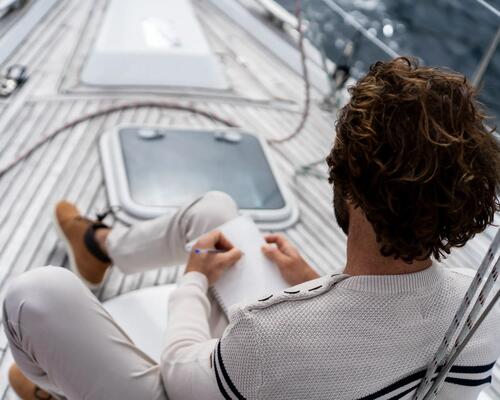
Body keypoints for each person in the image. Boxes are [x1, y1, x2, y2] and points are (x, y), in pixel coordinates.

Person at [4, 57, 500, 400]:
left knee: (36, 293)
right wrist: (313, 282)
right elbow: (369, 348)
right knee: (215, 213)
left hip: (224, 380)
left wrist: (194, 281)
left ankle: (59, 389)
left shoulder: (272, 338)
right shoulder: (479, 315)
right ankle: (101, 247)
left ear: (344, 176)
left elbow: (178, 375)